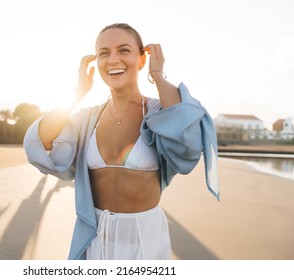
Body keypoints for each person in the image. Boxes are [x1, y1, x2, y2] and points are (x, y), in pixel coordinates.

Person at [24, 23, 219, 260]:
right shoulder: (88, 119)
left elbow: (187, 141)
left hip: (145, 237)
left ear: (141, 59)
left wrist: (157, 75)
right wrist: (78, 91)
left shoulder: (159, 112)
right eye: (103, 53)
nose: (113, 59)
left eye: (124, 50)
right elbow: (42, 142)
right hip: (94, 235)